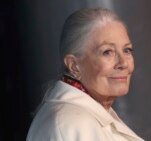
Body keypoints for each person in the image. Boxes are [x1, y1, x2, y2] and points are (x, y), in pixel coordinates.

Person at [26, 8, 144, 141]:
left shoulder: (84, 116)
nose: (123, 63)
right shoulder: (73, 123)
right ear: (74, 66)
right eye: (107, 52)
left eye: (127, 50)